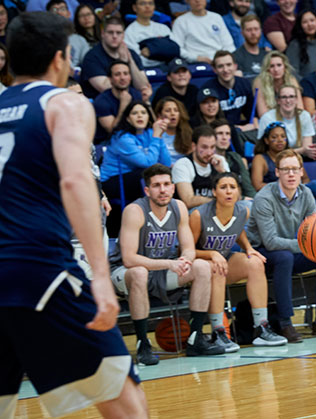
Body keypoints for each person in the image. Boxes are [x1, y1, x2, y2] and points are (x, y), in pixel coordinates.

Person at [0, 12, 148, 417]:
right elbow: (75, 182)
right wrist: (100, 276)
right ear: (61, 59)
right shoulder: (64, 102)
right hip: (40, 269)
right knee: (125, 401)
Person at [112, 164, 224, 364]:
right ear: (147, 190)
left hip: (162, 269)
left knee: (202, 267)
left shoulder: (179, 207)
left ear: (173, 187)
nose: (162, 190)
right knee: (139, 273)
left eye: (166, 184)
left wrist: (185, 260)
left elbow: (188, 247)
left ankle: (195, 338)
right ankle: (142, 343)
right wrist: (168, 264)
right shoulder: (135, 211)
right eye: (156, 185)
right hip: (124, 271)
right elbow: (129, 259)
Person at [247, 149, 316, 343]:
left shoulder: (306, 194)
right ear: (277, 172)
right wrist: (308, 245)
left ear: (301, 171)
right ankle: (285, 323)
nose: (291, 174)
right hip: (263, 254)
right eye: (285, 169)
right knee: (284, 257)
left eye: (295, 169)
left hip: (293, 250)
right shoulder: (264, 198)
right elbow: (270, 242)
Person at [190, 172, 287, 349]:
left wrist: (249, 247)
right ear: (214, 192)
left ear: (238, 192)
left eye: (232, 187)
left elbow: (236, 230)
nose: (228, 192)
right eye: (223, 187)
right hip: (199, 267)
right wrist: (211, 254)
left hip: (223, 261)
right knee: (217, 267)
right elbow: (186, 251)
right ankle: (218, 332)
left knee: (255, 263)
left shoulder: (243, 211)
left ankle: (261, 328)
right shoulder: (198, 215)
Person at [101, 101, 172, 237]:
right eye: (134, 113)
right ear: (128, 118)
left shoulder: (151, 133)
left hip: (135, 179)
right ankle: (147, 224)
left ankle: (165, 219)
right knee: (145, 176)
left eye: (143, 113)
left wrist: (159, 136)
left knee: (163, 175)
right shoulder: (122, 138)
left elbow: (166, 163)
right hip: (111, 182)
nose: (140, 116)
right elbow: (147, 162)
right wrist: (156, 137)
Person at [80, 16, 151, 100]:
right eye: (110, 32)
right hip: (102, 105)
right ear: (103, 34)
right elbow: (106, 88)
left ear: (123, 35)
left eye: (118, 33)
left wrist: (130, 62)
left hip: (131, 103)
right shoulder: (92, 57)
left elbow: (143, 86)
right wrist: (121, 62)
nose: (114, 36)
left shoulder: (131, 54)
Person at [172, 125, 229, 209]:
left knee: (246, 205)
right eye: (204, 147)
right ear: (194, 146)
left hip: (217, 210)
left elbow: (234, 194)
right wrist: (218, 201)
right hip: (191, 213)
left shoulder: (220, 161)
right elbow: (188, 201)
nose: (209, 152)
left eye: (212, 147)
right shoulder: (183, 164)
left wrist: (222, 172)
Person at [258, 84, 316, 159]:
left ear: (296, 100)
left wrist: (302, 151)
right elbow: (267, 151)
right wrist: (301, 150)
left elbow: (307, 147)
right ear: (278, 101)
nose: (288, 101)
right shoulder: (267, 118)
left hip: (298, 158)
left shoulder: (304, 115)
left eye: (291, 96)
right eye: (284, 97)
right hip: (273, 159)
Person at [201, 50, 255, 129]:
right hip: (218, 132)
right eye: (220, 66)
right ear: (214, 70)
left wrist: (255, 127)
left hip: (242, 130)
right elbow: (210, 122)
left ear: (235, 66)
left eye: (229, 65)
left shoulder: (245, 84)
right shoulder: (208, 89)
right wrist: (239, 128)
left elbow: (253, 115)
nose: (225, 70)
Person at [93, 60, 143, 144]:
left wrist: (147, 103)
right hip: (108, 142)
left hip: (133, 137)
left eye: (125, 74)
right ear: (110, 79)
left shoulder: (136, 95)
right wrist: (123, 105)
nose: (122, 78)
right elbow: (113, 132)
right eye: (117, 74)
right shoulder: (101, 101)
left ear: (130, 77)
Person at [171, 0, 235, 64]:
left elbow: (228, 44)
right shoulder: (180, 21)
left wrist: (224, 59)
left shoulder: (217, 17)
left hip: (221, 61)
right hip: (195, 63)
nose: (197, 1)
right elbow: (178, 48)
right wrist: (196, 58)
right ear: (187, 1)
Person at [211, 119, 256, 198]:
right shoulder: (207, 159)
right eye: (220, 133)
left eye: (227, 134)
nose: (224, 137)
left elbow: (248, 188)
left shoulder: (235, 157)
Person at [124, 0, 173, 69]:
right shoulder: (129, 32)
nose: (147, 6)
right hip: (143, 70)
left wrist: (152, 52)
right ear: (134, 8)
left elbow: (174, 49)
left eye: (150, 3)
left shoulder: (163, 28)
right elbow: (137, 59)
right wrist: (162, 53)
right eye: (142, 3)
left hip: (168, 68)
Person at [254, 51, 303, 117]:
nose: (276, 69)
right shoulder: (260, 82)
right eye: (272, 66)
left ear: (285, 67)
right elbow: (263, 114)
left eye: (279, 65)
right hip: (269, 122)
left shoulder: (291, 80)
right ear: (267, 69)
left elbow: (300, 108)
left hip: (290, 119)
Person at [285, 10, 316, 78]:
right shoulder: (295, 45)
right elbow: (292, 72)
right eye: (305, 22)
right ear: (300, 25)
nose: (309, 24)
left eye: (312, 20)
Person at [46, 0, 90, 69]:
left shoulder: (79, 40)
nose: (59, 12)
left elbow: (89, 64)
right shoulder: (42, 39)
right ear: (48, 15)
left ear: (69, 14)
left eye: (62, 9)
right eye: (54, 9)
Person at [250, 121, 289, 191]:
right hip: (271, 197)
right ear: (266, 140)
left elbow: (305, 179)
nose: (280, 140)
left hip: (294, 194)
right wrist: (283, 188)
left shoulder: (291, 156)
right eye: (274, 137)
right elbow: (257, 186)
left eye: (283, 136)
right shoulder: (260, 159)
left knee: (314, 185)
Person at [155, 97, 193, 164]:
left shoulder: (187, 133)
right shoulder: (155, 134)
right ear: (160, 115)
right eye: (168, 111)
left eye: (176, 110)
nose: (173, 113)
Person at [233, 15, 268, 79]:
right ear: (242, 33)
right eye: (249, 30)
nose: (253, 33)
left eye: (256, 29)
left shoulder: (267, 55)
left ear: (261, 31)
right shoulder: (235, 57)